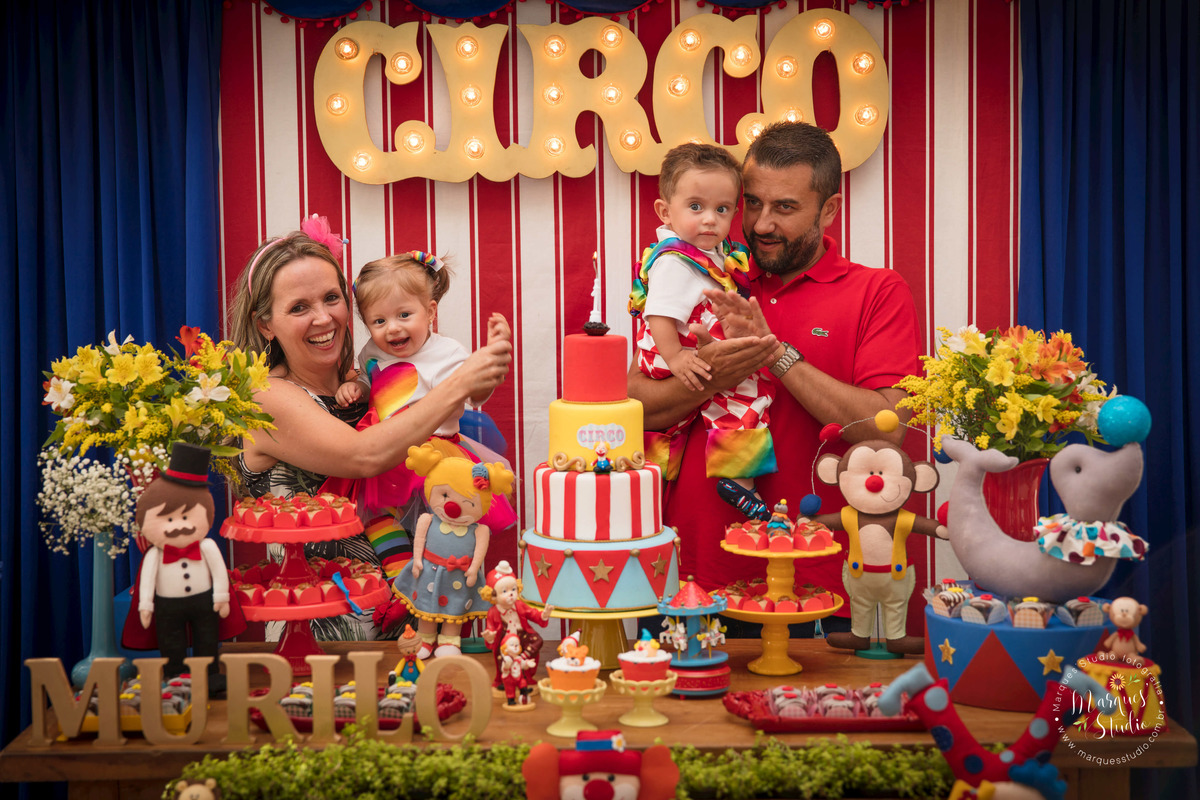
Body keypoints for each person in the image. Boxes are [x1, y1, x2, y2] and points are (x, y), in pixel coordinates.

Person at [628, 122, 922, 633]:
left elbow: (887, 427)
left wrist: (777, 356)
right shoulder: (711, 275)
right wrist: (713, 376)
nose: (762, 224)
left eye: (785, 208)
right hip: (693, 578)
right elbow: (634, 404)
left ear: (827, 210)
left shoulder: (877, 290)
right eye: (753, 203)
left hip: (821, 582)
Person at [227, 215, 512, 640]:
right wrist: (459, 383)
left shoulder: (363, 374)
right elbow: (364, 456)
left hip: (429, 609)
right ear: (265, 324)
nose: (323, 318)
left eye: (331, 298)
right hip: (331, 633)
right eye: (299, 307)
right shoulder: (267, 396)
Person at [330, 251, 515, 582]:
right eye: (379, 321)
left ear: (430, 311)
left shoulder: (447, 354)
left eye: (404, 314)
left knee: (442, 522)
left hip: (436, 454)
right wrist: (354, 386)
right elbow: (367, 380)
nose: (393, 329)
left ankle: (442, 584)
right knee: (378, 517)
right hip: (389, 452)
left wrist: (491, 363)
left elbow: (473, 394)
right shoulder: (371, 351)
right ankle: (403, 575)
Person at [629, 143, 776, 520]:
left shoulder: (709, 252)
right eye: (696, 207)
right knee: (745, 391)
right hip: (669, 352)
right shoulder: (676, 261)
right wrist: (677, 358)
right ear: (666, 211)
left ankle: (655, 475)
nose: (710, 219)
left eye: (722, 209)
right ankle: (739, 477)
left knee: (669, 429)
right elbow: (658, 314)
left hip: (674, 351)